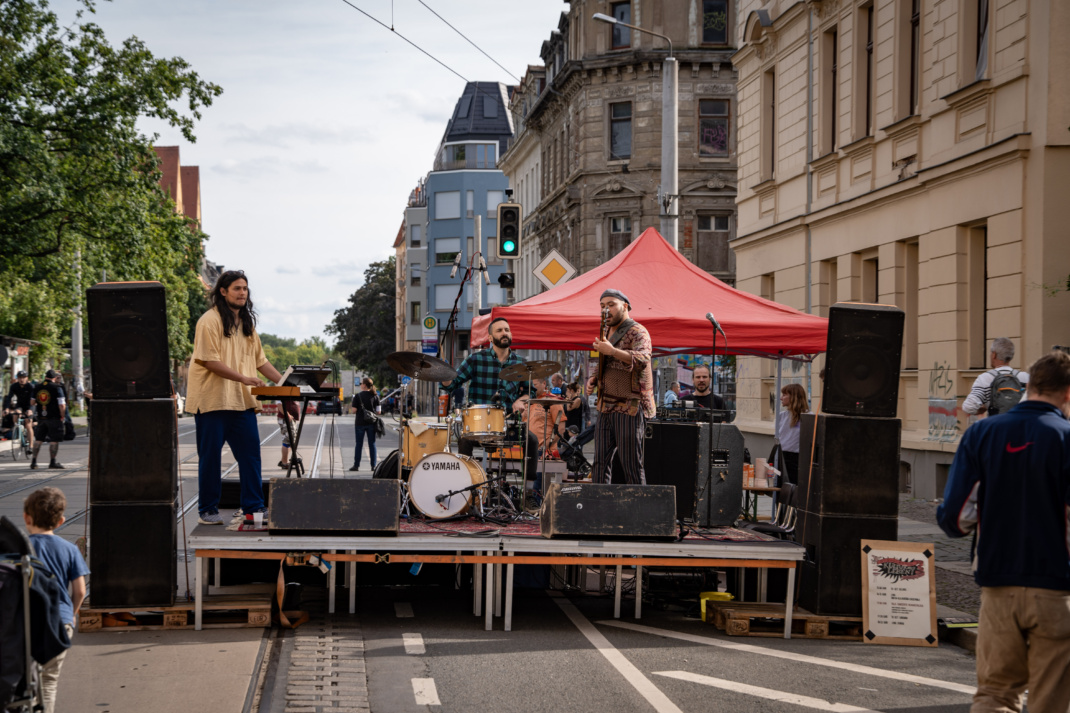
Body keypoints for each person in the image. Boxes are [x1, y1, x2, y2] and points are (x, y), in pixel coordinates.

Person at [936, 350, 1070, 713]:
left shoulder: (982, 433)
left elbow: (955, 517)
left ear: (1031, 385)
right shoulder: (1066, 437)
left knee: (995, 695)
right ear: (1068, 393)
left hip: (997, 581)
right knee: (1052, 700)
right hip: (1056, 588)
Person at [185, 270, 283, 526]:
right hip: (212, 401)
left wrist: (286, 386)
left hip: (241, 403)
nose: (242, 293)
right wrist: (243, 378)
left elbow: (261, 362)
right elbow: (208, 360)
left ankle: (253, 508)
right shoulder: (210, 320)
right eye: (237, 288)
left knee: (251, 457)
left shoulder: (248, 325)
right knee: (211, 459)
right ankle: (207, 509)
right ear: (223, 292)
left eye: (245, 289)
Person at [441, 317, 538, 504]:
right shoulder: (476, 359)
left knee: (532, 440)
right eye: (500, 330)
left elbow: (529, 392)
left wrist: (521, 400)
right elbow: (453, 384)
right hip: (479, 424)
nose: (505, 333)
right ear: (490, 337)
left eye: (507, 330)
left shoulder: (520, 362)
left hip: (508, 423)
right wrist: (443, 374)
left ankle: (528, 494)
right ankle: (466, 490)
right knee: (464, 440)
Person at [23, 487, 90, 713]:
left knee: (24, 679)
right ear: (61, 521)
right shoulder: (69, 549)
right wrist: (70, 615)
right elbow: (80, 591)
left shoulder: (20, 550)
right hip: (59, 622)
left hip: (25, 623)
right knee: (49, 681)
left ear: (26, 517)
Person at [586, 289, 654, 485]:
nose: (606, 310)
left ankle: (638, 511)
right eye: (602, 306)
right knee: (599, 463)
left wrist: (613, 351)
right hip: (606, 405)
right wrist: (593, 379)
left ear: (625, 306)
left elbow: (643, 358)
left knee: (631, 464)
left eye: (611, 305)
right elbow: (603, 362)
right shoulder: (606, 331)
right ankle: (600, 507)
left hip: (629, 407)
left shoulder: (638, 331)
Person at [963, 337, 1030, 417]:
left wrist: (980, 410)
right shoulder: (1025, 377)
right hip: (1020, 426)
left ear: (994, 354)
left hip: (996, 426)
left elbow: (968, 407)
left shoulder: (985, 379)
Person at [516, 377, 566, 450]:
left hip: (544, 453)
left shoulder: (553, 401)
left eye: (534, 384)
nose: (531, 388)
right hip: (526, 451)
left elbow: (561, 429)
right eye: (529, 385)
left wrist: (543, 448)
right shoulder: (527, 401)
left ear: (544, 383)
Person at [775, 383, 811, 485]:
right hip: (781, 456)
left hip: (798, 458)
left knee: (795, 489)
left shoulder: (808, 417)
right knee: (780, 490)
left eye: (784, 395)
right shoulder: (781, 416)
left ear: (793, 397)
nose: (781, 398)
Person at [31, 369, 66, 470]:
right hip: (54, 417)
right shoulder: (57, 387)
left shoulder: (37, 387)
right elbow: (62, 405)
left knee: (38, 439)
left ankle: (34, 462)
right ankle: (52, 462)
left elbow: (32, 402)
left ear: (45, 377)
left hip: (41, 417)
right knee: (54, 440)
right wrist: (62, 416)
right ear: (54, 378)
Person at [350, 376, 381, 472]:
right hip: (371, 423)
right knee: (372, 444)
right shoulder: (375, 396)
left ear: (364, 385)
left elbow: (354, 411)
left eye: (361, 383)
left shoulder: (357, 396)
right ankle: (373, 466)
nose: (360, 385)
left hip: (360, 423)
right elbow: (379, 412)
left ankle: (356, 466)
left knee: (359, 444)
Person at [7, 369, 35, 451]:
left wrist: (30, 410)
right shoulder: (14, 386)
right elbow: (9, 397)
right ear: (17, 378)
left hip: (30, 405)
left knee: (28, 424)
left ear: (26, 378)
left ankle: (31, 446)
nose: (21, 379)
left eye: (23, 377)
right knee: (16, 414)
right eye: (20, 377)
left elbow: (33, 400)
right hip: (20, 405)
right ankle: (18, 429)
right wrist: (6, 408)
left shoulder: (31, 387)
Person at [276, 399, 302, 469]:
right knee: (287, 440)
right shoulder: (282, 389)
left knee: (291, 439)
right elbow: (279, 404)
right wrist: (288, 415)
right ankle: (284, 463)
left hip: (290, 418)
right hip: (286, 418)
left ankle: (283, 460)